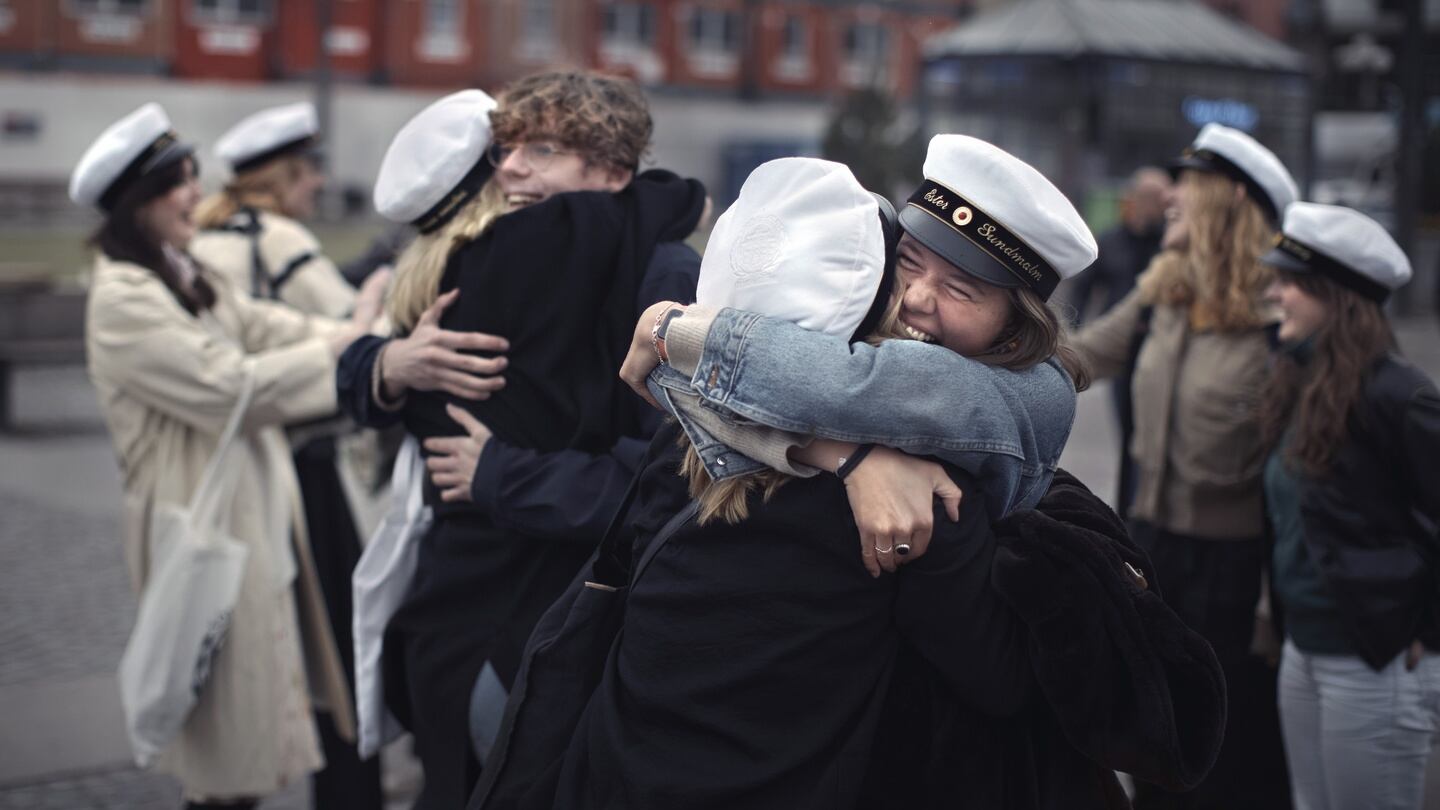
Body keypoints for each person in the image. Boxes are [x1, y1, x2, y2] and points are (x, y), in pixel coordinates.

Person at [475, 144, 1221, 810]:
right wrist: (843, 457)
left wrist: (676, 334)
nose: (919, 301)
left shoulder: (974, 431)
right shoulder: (896, 473)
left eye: (962, 291)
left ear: (1015, 327)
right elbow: (993, 678)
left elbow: (850, 388)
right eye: (909, 264)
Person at [336, 73, 707, 809]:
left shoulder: (666, 277)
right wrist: (389, 362)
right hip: (465, 595)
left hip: (575, 609)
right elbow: (370, 381)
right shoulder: (505, 255)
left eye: (541, 150)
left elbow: (676, 479)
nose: (509, 168)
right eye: (507, 149)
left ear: (610, 170)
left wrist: (502, 474)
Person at [74, 103, 383, 809]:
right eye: (177, 182)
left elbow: (265, 324)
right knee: (223, 738)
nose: (196, 192)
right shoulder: (124, 296)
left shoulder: (174, 270)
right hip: (198, 523)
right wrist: (358, 351)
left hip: (244, 511)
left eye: (189, 175)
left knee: (253, 714)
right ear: (136, 203)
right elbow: (230, 386)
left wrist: (355, 335)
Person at [1071, 122, 1299, 808]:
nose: (1171, 197)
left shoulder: (1280, 317)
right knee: (1155, 743)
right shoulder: (1163, 290)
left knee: (1228, 762)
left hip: (1237, 576)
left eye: (1188, 187)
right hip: (1153, 553)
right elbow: (1077, 357)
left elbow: (1308, 480)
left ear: (1231, 199)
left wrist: (1271, 605)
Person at [188, 101, 381, 810]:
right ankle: (350, 792)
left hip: (231, 464)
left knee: (235, 655)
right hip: (304, 471)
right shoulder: (279, 241)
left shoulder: (207, 241)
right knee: (340, 653)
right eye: (312, 171)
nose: (319, 185)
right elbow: (358, 332)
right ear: (287, 176)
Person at [1256, 202, 1440, 810]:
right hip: (1303, 651)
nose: (1275, 294)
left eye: (1290, 284)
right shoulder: (1298, 381)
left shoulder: (1400, 394)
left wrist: (1429, 632)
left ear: (1336, 298)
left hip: (1373, 659)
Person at [1067, 166, 1171, 518]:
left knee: (1149, 440)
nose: (1151, 206)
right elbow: (1083, 287)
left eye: (1157, 199)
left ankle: (1138, 508)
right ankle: (1129, 509)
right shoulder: (1112, 240)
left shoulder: (1169, 246)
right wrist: (1074, 327)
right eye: (1145, 198)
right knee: (1129, 437)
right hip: (1118, 346)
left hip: (1157, 352)